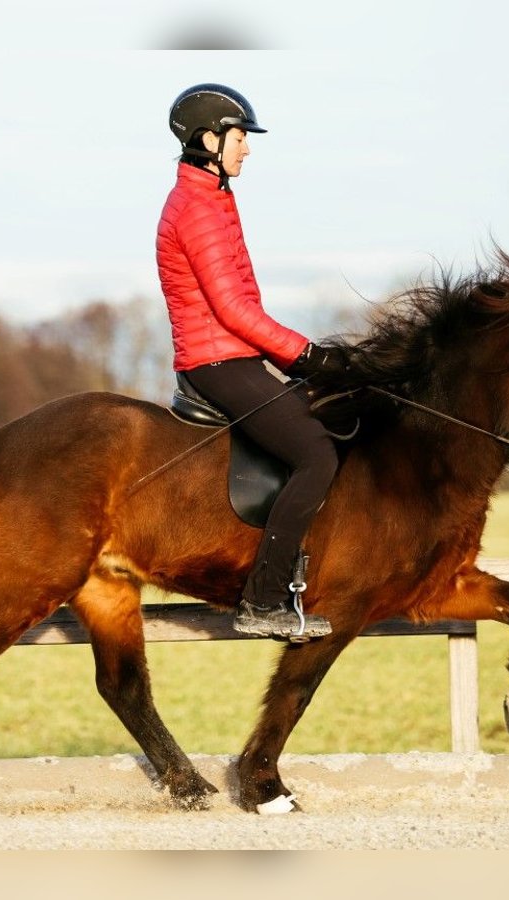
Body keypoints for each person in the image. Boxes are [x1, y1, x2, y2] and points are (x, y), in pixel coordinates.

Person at [156, 83, 349, 640]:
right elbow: (233, 310)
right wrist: (305, 354)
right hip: (217, 362)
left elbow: (245, 307)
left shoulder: (212, 197)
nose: (247, 149)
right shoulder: (196, 208)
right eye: (240, 137)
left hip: (235, 354)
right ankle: (263, 602)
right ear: (208, 139)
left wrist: (294, 358)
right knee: (315, 455)